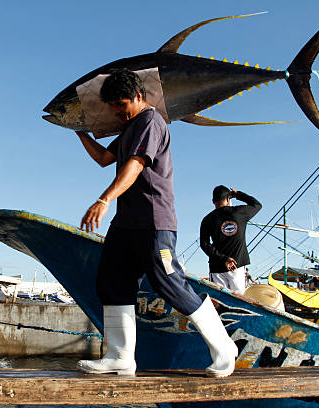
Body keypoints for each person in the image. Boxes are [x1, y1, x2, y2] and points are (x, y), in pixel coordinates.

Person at [75, 69, 237, 378]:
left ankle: (223, 346)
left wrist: (104, 199)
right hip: (127, 223)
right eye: (112, 107)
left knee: (168, 282)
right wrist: (79, 131)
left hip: (154, 221)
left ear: (139, 96)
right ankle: (120, 356)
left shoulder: (151, 122)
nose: (116, 112)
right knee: (111, 282)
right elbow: (104, 159)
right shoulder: (130, 127)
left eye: (121, 104)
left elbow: (135, 166)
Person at [200, 186, 261, 294]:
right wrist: (238, 194)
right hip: (236, 266)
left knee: (219, 301)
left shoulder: (207, 219)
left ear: (213, 201)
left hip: (217, 267)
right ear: (228, 199)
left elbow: (204, 244)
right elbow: (257, 205)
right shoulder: (239, 212)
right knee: (240, 301)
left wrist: (224, 259)